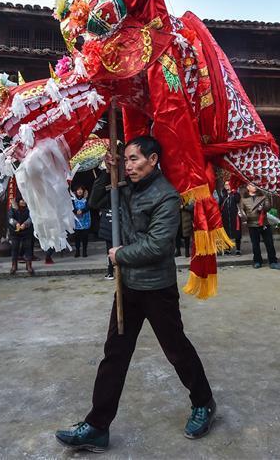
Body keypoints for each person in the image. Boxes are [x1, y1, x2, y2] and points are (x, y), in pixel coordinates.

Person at [55, 136, 216, 452]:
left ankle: (203, 402)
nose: (128, 166)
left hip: (157, 288)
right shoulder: (124, 186)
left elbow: (158, 245)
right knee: (114, 354)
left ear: (153, 160)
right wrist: (107, 173)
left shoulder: (167, 197)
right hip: (126, 288)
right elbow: (96, 201)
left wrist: (120, 255)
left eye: (133, 159)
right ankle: (97, 426)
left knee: (176, 349)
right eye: (125, 160)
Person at [239, 184, 280, 270]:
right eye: (252, 185)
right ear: (248, 187)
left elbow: (268, 206)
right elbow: (242, 210)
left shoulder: (263, 196)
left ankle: (273, 261)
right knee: (255, 244)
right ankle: (257, 261)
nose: (254, 187)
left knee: (269, 243)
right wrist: (242, 215)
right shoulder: (243, 199)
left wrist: (263, 208)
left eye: (255, 185)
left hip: (264, 223)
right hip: (252, 224)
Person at [89, 170, 115, 280]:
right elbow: (93, 203)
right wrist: (106, 173)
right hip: (109, 227)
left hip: (125, 228)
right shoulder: (106, 191)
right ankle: (111, 270)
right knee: (110, 251)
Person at [8, 196, 35, 275]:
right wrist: (16, 224)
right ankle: (14, 265)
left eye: (24, 200)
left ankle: (29, 265)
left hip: (27, 231)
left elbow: (31, 218)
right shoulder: (13, 209)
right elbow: (10, 218)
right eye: (21, 200)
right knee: (15, 248)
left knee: (28, 248)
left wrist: (26, 224)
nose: (23, 202)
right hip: (15, 232)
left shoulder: (29, 208)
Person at [218, 181, 242, 255]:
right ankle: (227, 249)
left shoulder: (236, 194)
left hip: (235, 216)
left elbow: (237, 200)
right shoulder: (223, 195)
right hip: (225, 216)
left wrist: (233, 192)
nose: (227, 186)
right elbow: (219, 205)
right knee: (226, 232)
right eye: (225, 184)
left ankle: (238, 249)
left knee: (237, 233)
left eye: (228, 184)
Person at [72, 186, 91, 258]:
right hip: (76, 220)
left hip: (85, 220)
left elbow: (89, 206)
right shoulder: (73, 199)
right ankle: (77, 251)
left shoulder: (86, 199)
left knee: (85, 237)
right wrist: (76, 211)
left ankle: (84, 251)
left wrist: (82, 211)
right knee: (77, 237)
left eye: (81, 190)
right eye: (78, 190)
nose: (79, 191)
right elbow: (71, 207)